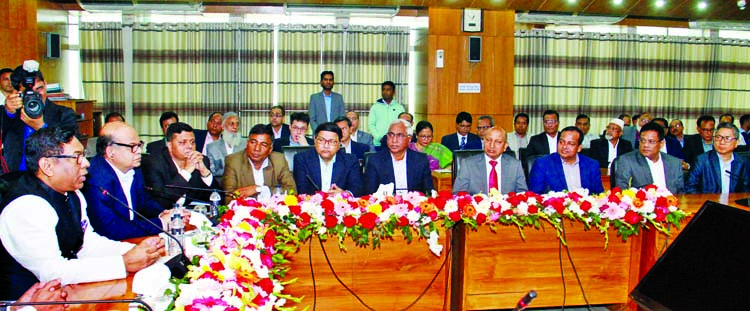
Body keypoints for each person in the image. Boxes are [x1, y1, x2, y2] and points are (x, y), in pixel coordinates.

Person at [0, 127, 163, 299]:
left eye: (84, 155)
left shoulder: (73, 193)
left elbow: (86, 244)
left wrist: (138, 250)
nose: (86, 163)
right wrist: (123, 263)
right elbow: (51, 272)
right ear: (47, 166)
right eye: (77, 157)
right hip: (28, 302)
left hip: (68, 290)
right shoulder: (27, 206)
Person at [84, 122, 186, 241]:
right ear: (111, 151)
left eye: (139, 144)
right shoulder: (95, 180)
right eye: (132, 146)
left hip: (133, 238)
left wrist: (163, 214)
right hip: (109, 247)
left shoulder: (134, 168)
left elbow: (144, 201)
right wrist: (161, 223)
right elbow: (110, 229)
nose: (138, 151)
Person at [1, 61, 78, 173]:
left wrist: (41, 127)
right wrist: (8, 113)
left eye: (39, 89)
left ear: (45, 84)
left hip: (51, 178)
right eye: (29, 92)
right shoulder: (10, 113)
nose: (35, 96)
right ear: (17, 92)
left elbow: (72, 149)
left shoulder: (64, 114)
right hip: (15, 179)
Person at [142, 122, 221, 209]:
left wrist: (205, 173)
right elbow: (160, 203)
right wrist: (186, 172)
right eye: (182, 143)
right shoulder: (154, 164)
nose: (189, 146)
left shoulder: (202, 161)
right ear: (169, 145)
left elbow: (219, 199)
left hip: (195, 215)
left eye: (192, 142)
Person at [223, 124, 296, 201]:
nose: (257, 148)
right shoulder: (233, 161)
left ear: (270, 148)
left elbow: (292, 191)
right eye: (253, 142)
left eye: (263, 144)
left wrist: (260, 189)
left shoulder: (279, 160)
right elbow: (229, 198)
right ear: (247, 143)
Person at [364, 119, 433, 195]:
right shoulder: (375, 161)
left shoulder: (420, 160)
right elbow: (370, 194)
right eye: (391, 135)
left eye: (399, 135)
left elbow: (429, 192)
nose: (394, 140)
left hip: (414, 205)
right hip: (385, 205)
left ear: (409, 139)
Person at [293, 123, 363, 197]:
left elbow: (357, 188)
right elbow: (302, 189)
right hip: (311, 205)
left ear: (339, 144)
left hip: (341, 205)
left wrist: (344, 194)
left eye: (332, 141)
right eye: (321, 140)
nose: (326, 146)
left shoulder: (350, 161)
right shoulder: (302, 159)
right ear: (315, 140)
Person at [611, 122, 684, 194]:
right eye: (642, 141)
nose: (645, 145)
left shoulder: (674, 163)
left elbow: (680, 193)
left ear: (661, 144)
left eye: (651, 141)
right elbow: (622, 193)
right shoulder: (626, 161)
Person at [528, 126, 604, 194]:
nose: (564, 146)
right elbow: (535, 195)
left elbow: (598, 195)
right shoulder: (542, 164)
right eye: (561, 142)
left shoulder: (591, 165)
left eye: (570, 143)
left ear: (579, 148)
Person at [452, 128, 527, 194]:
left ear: (505, 146)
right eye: (488, 140)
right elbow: (458, 194)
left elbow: (522, 194)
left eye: (498, 142)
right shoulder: (468, 164)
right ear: (484, 141)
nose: (492, 145)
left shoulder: (515, 165)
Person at [685, 122, 750, 194]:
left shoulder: (744, 162)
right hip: (708, 203)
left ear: (737, 143)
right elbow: (690, 187)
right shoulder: (701, 161)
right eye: (718, 137)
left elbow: (746, 189)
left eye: (727, 138)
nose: (722, 142)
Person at [206, 112, 245, 178]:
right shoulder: (212, 147)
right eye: (231, 124)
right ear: (223, 126)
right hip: (221, 184)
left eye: (237, 124)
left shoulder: (245, 145)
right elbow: (213, 171)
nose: (235, 127)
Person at [368, 81, 405, 147]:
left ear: (393, 92)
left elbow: (402, 125)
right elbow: (371, 124)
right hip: (378, 144)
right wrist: (379, 138)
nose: (385, 92)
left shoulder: (400, 108)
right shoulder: (375, 107)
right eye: (383, 89)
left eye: (388, 90)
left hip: (395, 143)